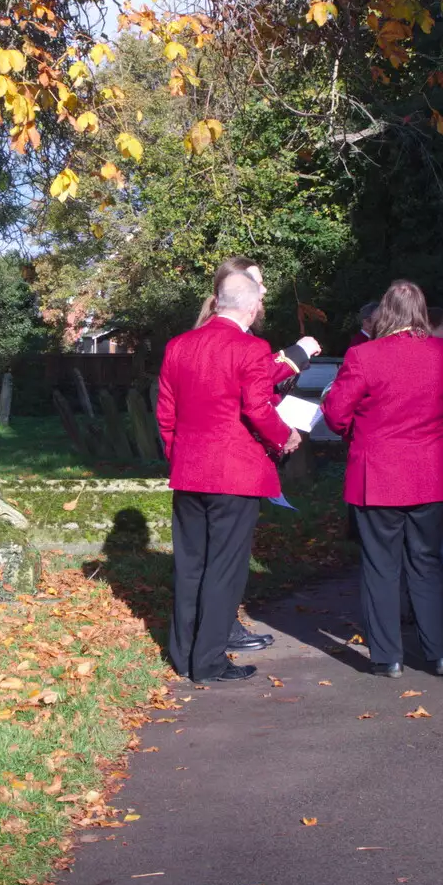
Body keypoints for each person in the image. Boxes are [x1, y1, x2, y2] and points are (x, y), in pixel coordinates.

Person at [157, 273, 301, 684]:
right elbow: (257, 407)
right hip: (235, 472)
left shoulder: (178, 346)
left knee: (190, 566)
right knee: (224, 569)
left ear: (217, 300)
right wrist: (285, 436)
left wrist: (177, 454)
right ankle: (209, 661)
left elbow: (166, 412)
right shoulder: (251, 348)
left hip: (189, 470)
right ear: (252, 306)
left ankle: (183, 656)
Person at [323, 280, 443, 679]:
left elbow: (335, 415)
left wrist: (359, 428)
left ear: (385, 312)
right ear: (422, 311)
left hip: (379, 472)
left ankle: (388, 657)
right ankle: (439, 654)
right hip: (429, 472)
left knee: (381, 565)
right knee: (426, 562)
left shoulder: (364, 356)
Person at [197, 257, 321, 651]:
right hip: (229, 458)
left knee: (219, 553)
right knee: (223, 555)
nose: (264, 291)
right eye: (257, 283)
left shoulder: (223, 334)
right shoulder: (228, 336)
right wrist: (294, 357)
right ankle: (218, 634)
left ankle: (209, 634)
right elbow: (249, 386)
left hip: (210, 458)